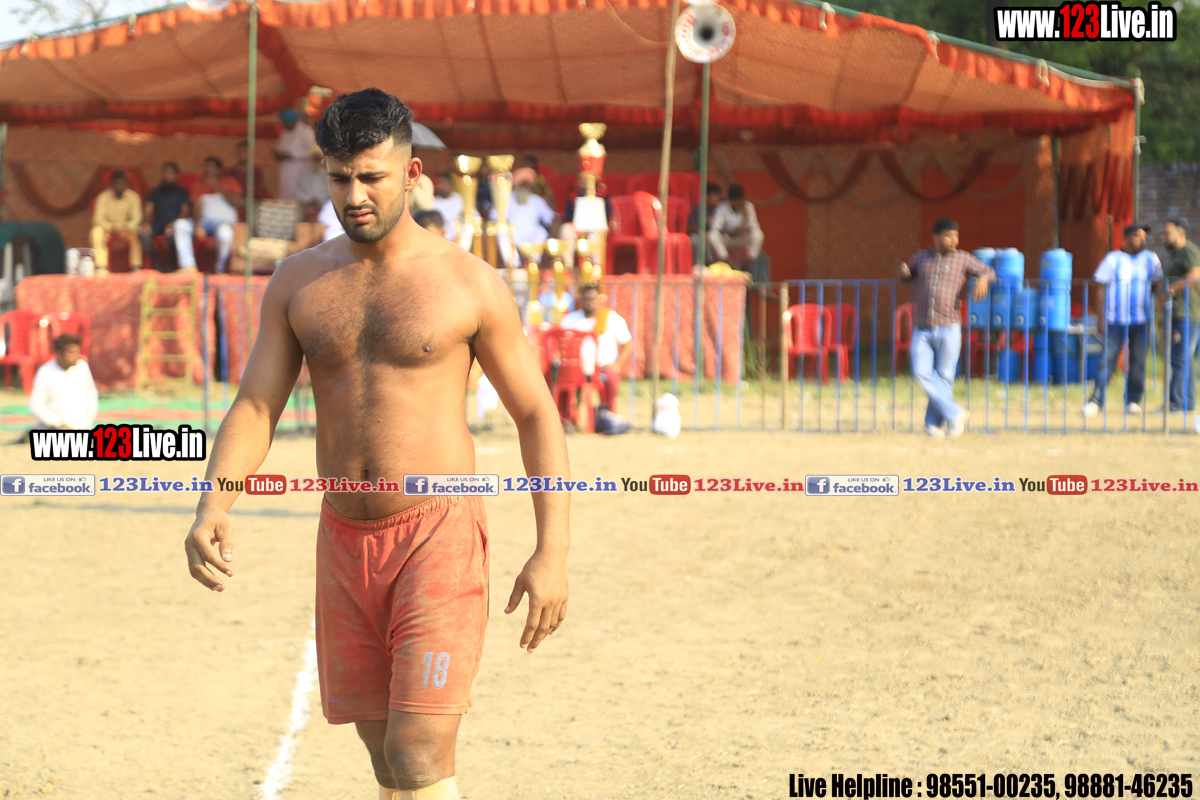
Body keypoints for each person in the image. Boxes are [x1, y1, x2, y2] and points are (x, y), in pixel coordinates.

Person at [183, 88, 569, 800]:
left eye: (371, 177)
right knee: (387, 761)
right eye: (339, 178)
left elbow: (536, 414)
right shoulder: (299, 280)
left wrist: (553, 551)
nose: (353, 195)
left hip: (438, 537)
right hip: (344, 542)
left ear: (412, 174)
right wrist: (215, 503)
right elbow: (258, 404)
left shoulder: (468, 283)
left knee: (416, 751)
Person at [898, 218, 993, 438]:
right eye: (949, 236)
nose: (954, 240)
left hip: (949, 325)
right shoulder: (921, 257)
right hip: (923, 326)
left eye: (956, 236)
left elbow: (988, 270)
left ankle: (933, 425)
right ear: (936, 237)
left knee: (944, 377)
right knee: (920, 371)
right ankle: (956, 413)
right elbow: (908, 276)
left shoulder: (962, 258)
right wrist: (904, 272)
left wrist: (983, 279)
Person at [1084, 222, 1163, 417]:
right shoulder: (1113, 259)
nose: (1142, 240)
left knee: (1138, 362)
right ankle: (1096, 400)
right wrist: (1101, 317)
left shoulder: (1151, 258)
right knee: (1107, 360)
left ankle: (1132, 401)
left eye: (1144, 236)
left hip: (1141, 320)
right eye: (1137, 236)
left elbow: (1157, 283)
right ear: (1126, 238)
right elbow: (1100, 288)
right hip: (1115, 320)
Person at [560, 284, 632, 413]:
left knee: (611, 377)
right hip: (576, 369)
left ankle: (607, 411)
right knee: (557, 376)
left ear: (599, 299)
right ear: (581, 299)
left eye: (593, 299)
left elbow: (628, 345)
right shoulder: (570, 320)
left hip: (602, 369)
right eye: (586, 299)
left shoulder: (610, 317)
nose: (589, 302)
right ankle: (566, 414)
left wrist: (617, 365)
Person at [1161, 218, 1200, 415]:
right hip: (1181, 314)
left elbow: (1195, 275)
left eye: (1167, 233)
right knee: (1185, 359)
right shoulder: (1178, 255)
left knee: (1179, 359)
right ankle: (1187, 403)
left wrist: (1170, 291)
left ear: (1181, 234)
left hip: (1187, 315)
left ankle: (1176, 404)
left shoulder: (1189, 251)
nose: (1163, 237)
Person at [173, 157, 237, 273]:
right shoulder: (199, 183)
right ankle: (188, 266)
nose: (207, 169)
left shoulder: (229, 182)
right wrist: (197, 225)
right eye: (206, 166)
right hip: (204, 223)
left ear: (219, 170)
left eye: (211, 167)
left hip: (224, 224)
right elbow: (196, 206)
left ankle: (220, 269)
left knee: (225, 234)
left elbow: (240, 202)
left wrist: (218, 187)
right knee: (180, 225)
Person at [29, 334, 98, 431]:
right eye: (71, 353)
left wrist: (87, 421)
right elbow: (36, 406)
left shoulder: (82, 367)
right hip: (53, 428)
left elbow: (91, 395)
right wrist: (60, 424)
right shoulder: (45, 372)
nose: (75, 356)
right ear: (59, 353)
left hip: (81, 427)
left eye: (77, 352)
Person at [494, 167, 556, 264]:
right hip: (513, 233)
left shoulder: (537, 200)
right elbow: (494, 216)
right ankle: (514, 265)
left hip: (532, 234)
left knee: (541, 232)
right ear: (516, 184)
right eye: (522, 184)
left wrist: (555, 224)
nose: (524, 187)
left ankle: (533, 263)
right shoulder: (506, 198)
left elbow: (550, 217)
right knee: (502, 232)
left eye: (527, 184)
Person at [138, 162, 192, 272]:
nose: (167, 175)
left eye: (170, 173)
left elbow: (185, 212)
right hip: (158, 223)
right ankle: (157, 263)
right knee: (142, 233)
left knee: (172, 235)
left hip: (174, 224)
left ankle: (171, 266)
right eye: (165, 172)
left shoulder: (182, 192)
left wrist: (173, 224)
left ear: (176, 175)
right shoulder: (155, 191)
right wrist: (146, 223)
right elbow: (148, 209)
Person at [90, 170, 143, 271]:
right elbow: (98, 218)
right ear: (111, 184)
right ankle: (101, 267)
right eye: (117, 183)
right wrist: (112, 228)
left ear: (126, 184)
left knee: (138, 233)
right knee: (96, 232)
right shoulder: (103, 197)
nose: (119, 186)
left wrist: (126, 228)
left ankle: (135, 266)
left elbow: (137, 218)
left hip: (127, 230)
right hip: (109, 229)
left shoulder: (133, 197)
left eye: (122, 183)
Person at [558, 172, 612, 269]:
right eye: (581, 179)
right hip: (578, 228)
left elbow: (607, 214)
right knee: (565, 229)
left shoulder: (602, 196)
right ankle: (568, 265)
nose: (584, 181)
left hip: (596, 227)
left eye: (587, 179)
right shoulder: (573, 197)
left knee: (596, 234)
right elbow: (568, 217)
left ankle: (596, 266)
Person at [707, 184, 763, 273]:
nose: (736, 203)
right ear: (729, 200)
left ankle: (749, 262)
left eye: (738, 200)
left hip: (742, 238)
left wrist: (746, 219)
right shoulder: (722, 207)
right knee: (712, 235)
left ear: (742, 199)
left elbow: (754, 226)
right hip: (728, 238)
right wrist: (728, 232)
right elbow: (716, 227)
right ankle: (726, 261)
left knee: (758, 234)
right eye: (734, 201)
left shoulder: (748, 206)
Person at [272, 108, 317, 200]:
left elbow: (312, 151)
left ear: (293, 122)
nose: (284, 125)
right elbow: (280, 147)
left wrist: (292, 155)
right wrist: (277, 153)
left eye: (286, 123)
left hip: (299, 170)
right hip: (285, 169)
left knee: (297, 196)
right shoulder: (285, 132)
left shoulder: (306, 131)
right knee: (285, 194)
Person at [224, 140, 269, 209]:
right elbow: (227, 189)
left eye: (244, 151)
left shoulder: (257, 172)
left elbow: (257, 192)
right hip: (234, 202)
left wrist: (241, 197)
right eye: (239, 151)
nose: (241, 154)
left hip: (251, 204)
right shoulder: (231, 171)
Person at [688, 182, 723, 267]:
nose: (717, 198)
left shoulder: (719, 210)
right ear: (707, 197)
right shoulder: (698, 209)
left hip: (714, 236)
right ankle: (698, 266)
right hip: (699, 235)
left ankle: (716, 266)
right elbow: (690, 227)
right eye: (714, 195)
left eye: (718, 196)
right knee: (694, 239)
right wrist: (702, 233)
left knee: (713, 238)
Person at [295, 145, 332, 218]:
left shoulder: (329, 174)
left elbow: (330, 191)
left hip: (324, 207)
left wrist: (319, 201)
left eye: (319, 159)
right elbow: (298, 191)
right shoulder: (303, 173)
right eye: (315, 158)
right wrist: (309, 200)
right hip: (305, 207)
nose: (317, 161)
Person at [431, 172, 463, 242]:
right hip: (441, 239)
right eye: (438, 183)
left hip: (462, 238)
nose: (440, 186)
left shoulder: (460, 199)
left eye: (443, 183)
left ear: (450, 184)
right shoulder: (432, 201)